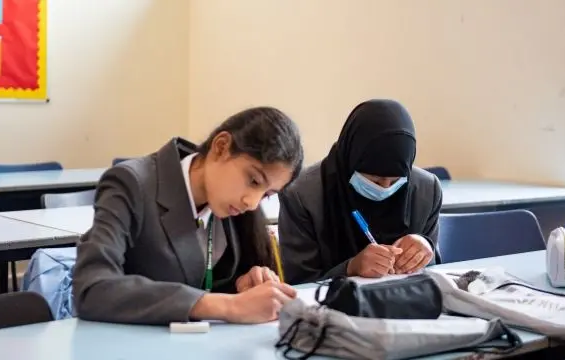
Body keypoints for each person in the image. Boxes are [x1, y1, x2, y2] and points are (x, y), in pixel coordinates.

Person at [73, 107, 304, 325]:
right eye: (253, 181)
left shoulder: (232, 205)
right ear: (221, 146)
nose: (252, 203)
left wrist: (244, 286)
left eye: (267, 194)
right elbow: (92, 288)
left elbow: (210, 282)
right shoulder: (131, 183)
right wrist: (227, 305)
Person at [278, 99, 443, 285]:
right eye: (374, 180)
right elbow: (299, 280)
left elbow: (434, 270)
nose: (385, 188)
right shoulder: (302, 194)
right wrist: (350, 268)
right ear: (351, 160)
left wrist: (423, 248)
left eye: (396, 181)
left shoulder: (427, 190)